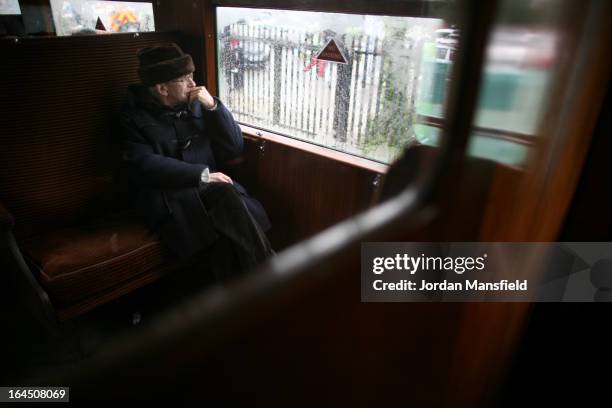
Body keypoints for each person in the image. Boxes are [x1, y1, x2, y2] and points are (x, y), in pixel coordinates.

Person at [117, 42, 273, 281]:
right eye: (184, 79)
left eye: (192, 76)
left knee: (226, 222)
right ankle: (272, 276)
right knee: (223, 213)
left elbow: (233, 148)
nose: (193, 84)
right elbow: (143, 164)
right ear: (162, 88)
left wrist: (213, 107)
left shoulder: (198, 106)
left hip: (211, 191)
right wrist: (200, 175)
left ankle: (254, 294)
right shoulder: (132, 117)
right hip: (169, 196)